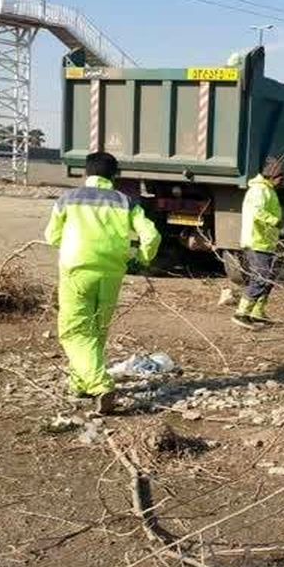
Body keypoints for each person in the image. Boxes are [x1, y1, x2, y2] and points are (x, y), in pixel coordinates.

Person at [45, 152, 160, 412]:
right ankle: (80, 383)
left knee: (74, 331)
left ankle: (100, 384)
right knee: (96, 330)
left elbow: (52, 237)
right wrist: (141, 258)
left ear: (86, 173)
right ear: (114, 175)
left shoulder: (67, 199)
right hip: (111, 274)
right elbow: (151, 236)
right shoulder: (126, 202)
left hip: (77, 271)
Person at [233, 156, 284, 328]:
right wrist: (276, 222)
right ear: (272, 176)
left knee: (268, 278)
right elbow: (258, 212)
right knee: (261, 278)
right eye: (281, 178)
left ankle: (257, 312)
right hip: (256, 241)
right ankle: (241, 314)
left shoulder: (268, 190)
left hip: (265, 241)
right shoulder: (259, 191)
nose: (282, 181)